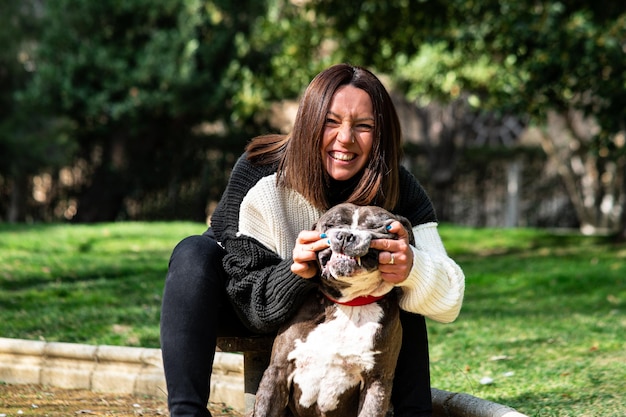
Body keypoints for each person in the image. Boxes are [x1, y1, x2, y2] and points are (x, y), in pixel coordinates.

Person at [160, 63, 465, 417]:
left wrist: (411, 267)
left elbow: (449, 299)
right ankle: (186, 412)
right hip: (250, 305)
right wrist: (295, 271)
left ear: (381, 135)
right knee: (192, 252)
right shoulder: (259, 172)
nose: (345, 138)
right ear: (308, 123)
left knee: (398, 276)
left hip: (357, 322)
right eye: (331, 122)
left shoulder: (399, 187)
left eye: (364, 126)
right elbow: (252, 305)